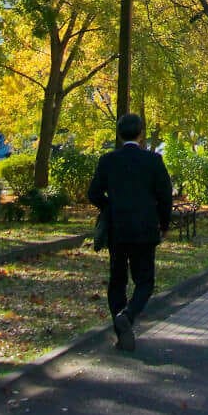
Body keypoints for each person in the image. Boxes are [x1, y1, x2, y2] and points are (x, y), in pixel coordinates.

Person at [86, 112, 174, 352]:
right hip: (145, 229)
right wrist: (164, 224)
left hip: (118, 229)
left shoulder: (108, 160)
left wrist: (110, 207)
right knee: (145, 280)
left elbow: (93, 193)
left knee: (117, 280)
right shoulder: (153, 161)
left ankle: (120, 325)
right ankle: (129, 314)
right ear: (140, 133)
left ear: (118, 133)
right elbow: (165, 196)